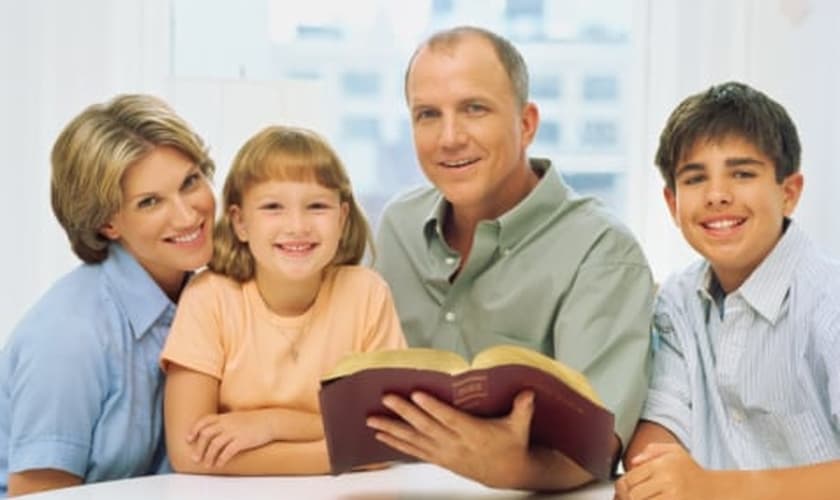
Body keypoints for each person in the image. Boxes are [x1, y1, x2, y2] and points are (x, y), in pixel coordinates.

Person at [368, 26, 654, 491]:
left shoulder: (603, 251)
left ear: (526, 123)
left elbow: (597, 445)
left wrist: (515, 470)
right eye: (427, 115)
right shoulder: (396, 226)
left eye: (473, 109)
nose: (449, 138)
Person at [616, 82, 840, 500]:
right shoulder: (677, 302)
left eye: (742, 173)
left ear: (788, 193)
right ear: (672, 203)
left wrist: (713, 488)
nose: (718, 195)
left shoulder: (829, 301)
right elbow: (661, 421)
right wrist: (658, 477)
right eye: (695, 178)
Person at [0, 94, 216, 496]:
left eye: (191, 181)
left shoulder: (207, 298)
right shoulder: (69, 337)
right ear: (106, 223)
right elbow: (37, 496)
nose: (188, 215)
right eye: (150, 202)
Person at [161, 125, 406, 475]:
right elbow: (189, 452)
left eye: (317, 206)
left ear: (342, 217)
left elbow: (388, 435)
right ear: (240, 222)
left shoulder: (367, 293)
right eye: (273, 207)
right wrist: (344, 448)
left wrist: (270, 424)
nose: (297, 226)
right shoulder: (210, 297)